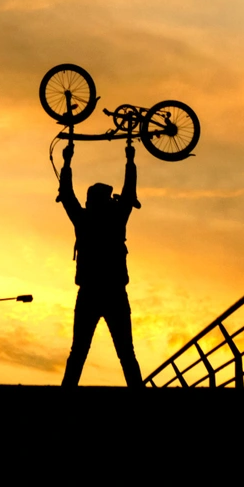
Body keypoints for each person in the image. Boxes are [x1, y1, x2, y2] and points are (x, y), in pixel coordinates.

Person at [57, 139, 143, 388]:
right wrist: (130, 160)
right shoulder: (117, 219)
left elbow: (67, 196)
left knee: (79, 352)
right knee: (126, 353)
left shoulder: (83, 220)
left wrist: (67, 162)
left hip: (90, 293)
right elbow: (128, 193)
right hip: (115, 292)